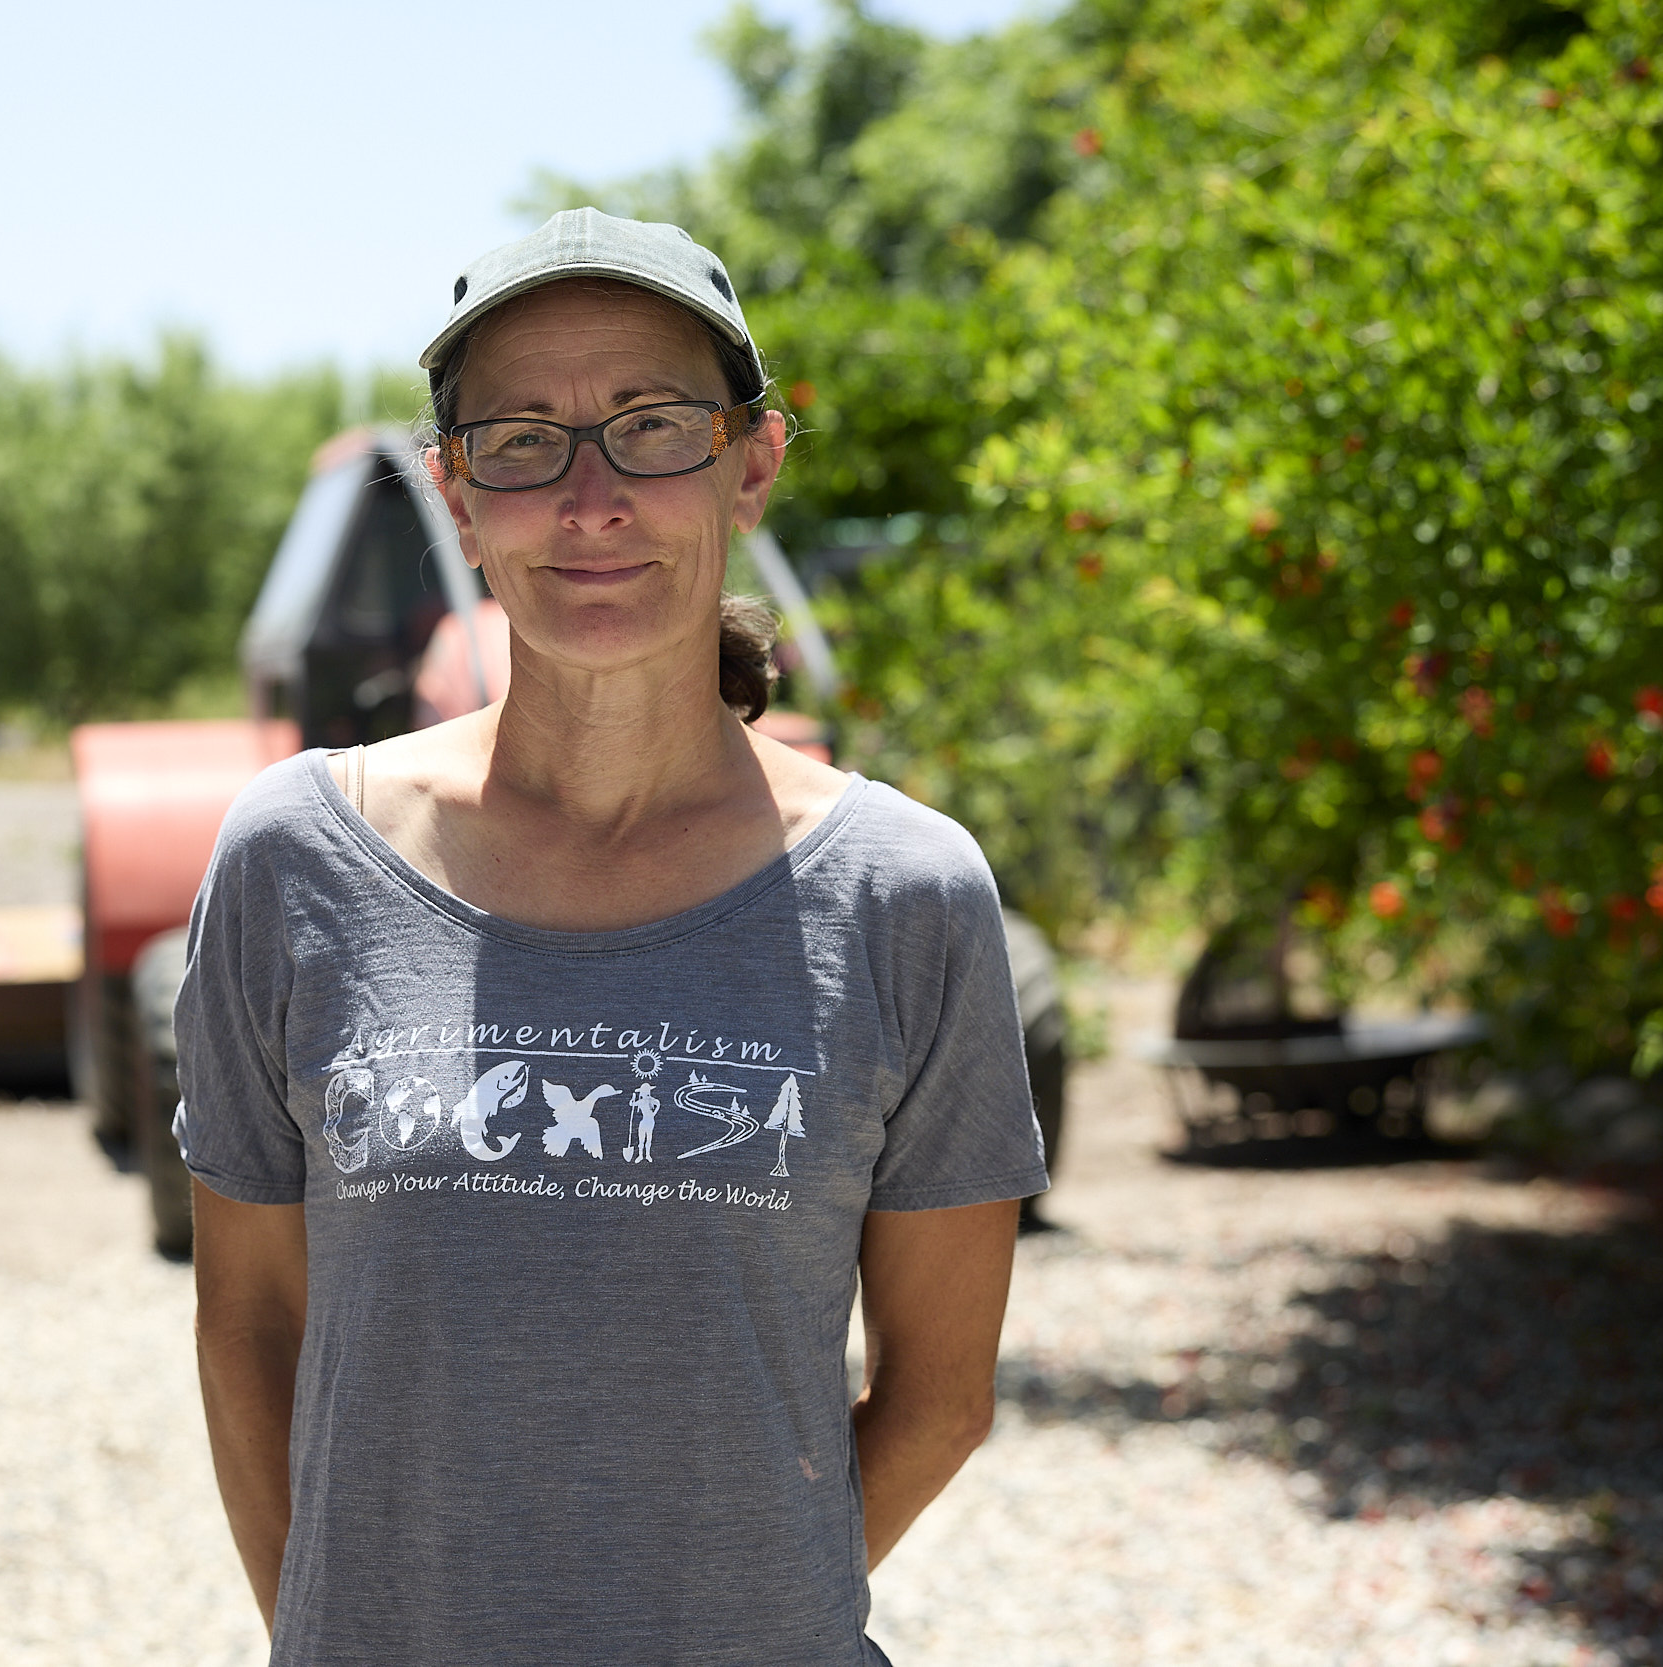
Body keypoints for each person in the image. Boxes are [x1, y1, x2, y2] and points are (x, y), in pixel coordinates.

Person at [175, 207, 1046, 1666]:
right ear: (456, 496)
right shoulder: (293, 862)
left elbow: (943, 1395)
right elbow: (250, 1327)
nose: (590, 496)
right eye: (522, 440)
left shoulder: (909, 895)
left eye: (650, 426)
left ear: (751, 462)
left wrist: (733, 1612)